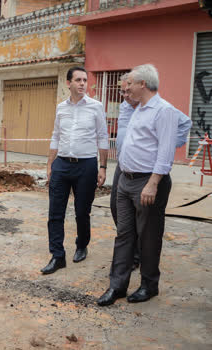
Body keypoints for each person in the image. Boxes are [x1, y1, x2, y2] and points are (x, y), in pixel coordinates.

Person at [97, 64, 192, 306]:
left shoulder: (164, 111)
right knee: (124, 235)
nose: (126, 88)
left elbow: (165, 152)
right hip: (126, 180)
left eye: (130, 84)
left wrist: (153, 183)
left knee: (149, 237)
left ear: (143, 84)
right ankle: (117, 286)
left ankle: (149, 285)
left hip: (147, 182)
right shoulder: (138, 108)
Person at [110, 74, 193, 272]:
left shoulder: (157, 108)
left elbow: (185, 123)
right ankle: (130, 254)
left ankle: (139, 258)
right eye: (122, 90)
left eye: (128, 88)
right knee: (117, 210)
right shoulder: (126, 106)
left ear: (141, 85)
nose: (125, 93)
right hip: (124, 167)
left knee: (147, 226)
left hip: (147, 171)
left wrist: (166, 145)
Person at [41, 66, 109, 275]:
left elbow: (103, 137)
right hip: (62, 164)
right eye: (78, 80)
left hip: (86, 165)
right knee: (55, 213)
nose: (82, 84)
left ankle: (82, 245)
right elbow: (56, 136)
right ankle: (57, 256)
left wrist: (103, 167)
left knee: (82, 212)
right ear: (68, 83)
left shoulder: (96, 107)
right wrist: (50, 164)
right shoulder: (61, 108)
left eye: (85, 80)